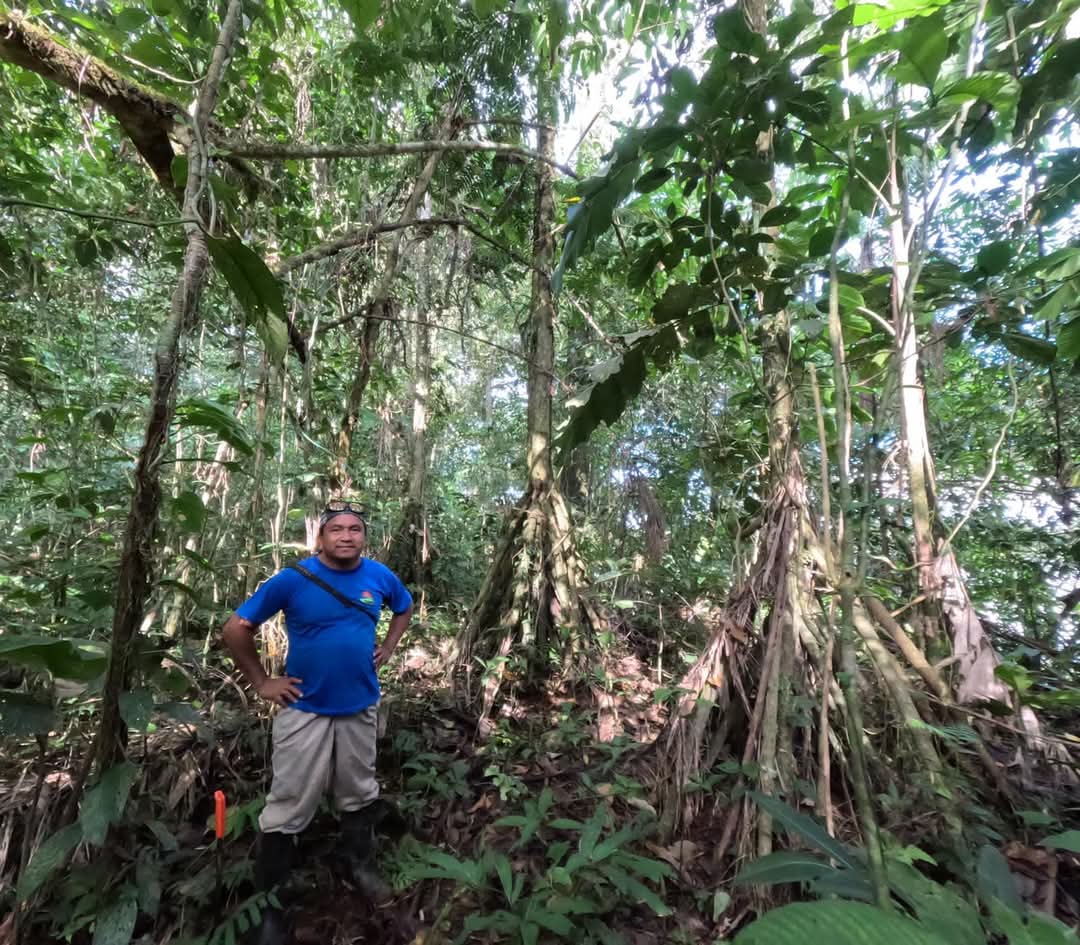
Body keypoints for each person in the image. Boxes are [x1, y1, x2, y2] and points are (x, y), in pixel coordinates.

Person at [222, 502, 413, 945]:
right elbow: (235, 629)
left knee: (359, 789)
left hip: (359, 705)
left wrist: (388, 645)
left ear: (364, 537)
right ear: (320, 538)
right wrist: (262, 682)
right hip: (305, 707)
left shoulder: (379, 577)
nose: (346, 536)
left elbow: (403, 607)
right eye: (336, 530)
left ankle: (357, 862)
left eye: (355, 529)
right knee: (289, 800)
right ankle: (268, 907)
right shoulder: (294, 579)